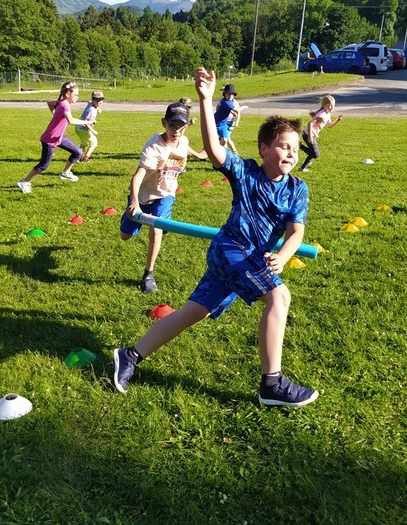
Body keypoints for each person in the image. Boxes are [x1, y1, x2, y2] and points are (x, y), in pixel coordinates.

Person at [113, 67, 319, 407]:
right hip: (231, 250)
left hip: (253, 258)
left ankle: (130, 355)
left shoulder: (298, 189)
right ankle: (272, 383)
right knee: (279, 297)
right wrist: (206, 100)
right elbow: (213, 148)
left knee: (194, 312)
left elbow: (296, 232)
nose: (290, 154)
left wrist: (283, 257)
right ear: (264, 148)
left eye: (295, 149)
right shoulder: (246, 173)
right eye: (283, 147)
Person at [119, 102, 206, 293]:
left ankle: (148, 274)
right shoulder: (154, 147)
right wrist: (134, 202)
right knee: (125, 236)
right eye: (172, 125)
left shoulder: (183, 140)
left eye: (181, 126)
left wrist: (200, 155)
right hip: (143, 196)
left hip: (165, 195)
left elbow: (183, 147)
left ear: (186, 126)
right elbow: (138, 176)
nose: (176, 130)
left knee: (156, 229)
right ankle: (131, 216)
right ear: (164, 123)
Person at [17, 82, 93, 194]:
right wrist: (87, 122)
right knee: (44, 165)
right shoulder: (64, 105)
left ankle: (65, 172)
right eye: (76, 94)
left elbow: (50, 103)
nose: (78, 97)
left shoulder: (62, 103)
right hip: (50, 139)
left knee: (77, 152)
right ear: (67, 93)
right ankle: (25, 181)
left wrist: (55, 114)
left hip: (58, 137)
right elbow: (71, 120)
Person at [299, 94, 343, 172]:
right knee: (315, 154)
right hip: (308, 135)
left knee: (313, 153)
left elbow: (329, 125)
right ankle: (299, 145)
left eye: (333, 105)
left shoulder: (327, 114)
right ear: (324, 105)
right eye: (329, 105)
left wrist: (337, 120)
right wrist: (310, 137)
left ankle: (302, 168)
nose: (331, 107)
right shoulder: (322, 115)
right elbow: (310, 124)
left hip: (311, 135)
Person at [75, 90, 104, 162]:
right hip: (83, 128)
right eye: (98, 100)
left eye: (101, 100)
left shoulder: (91, 104)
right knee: (94, 143)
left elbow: (89, 102)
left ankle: (77, 157)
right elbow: (85, 122)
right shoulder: (91, 110)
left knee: (84, 142)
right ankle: (86, 158)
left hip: (78, 128)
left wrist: (98, 108)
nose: (100, 102)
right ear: (93, 100)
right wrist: (92, 130)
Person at [214, 83, 241, 155]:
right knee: (213, 140)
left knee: (225, 140)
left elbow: (228, 109)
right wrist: (237, 120)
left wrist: (232, 112)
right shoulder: (226, 102)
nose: (230, 96)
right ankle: (215, 152)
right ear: (224, 94)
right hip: (215, 123)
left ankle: (219, 152)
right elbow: (238, 111)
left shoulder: (230, 101)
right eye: (228, 94)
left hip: (223, 124)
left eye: (232, 94)